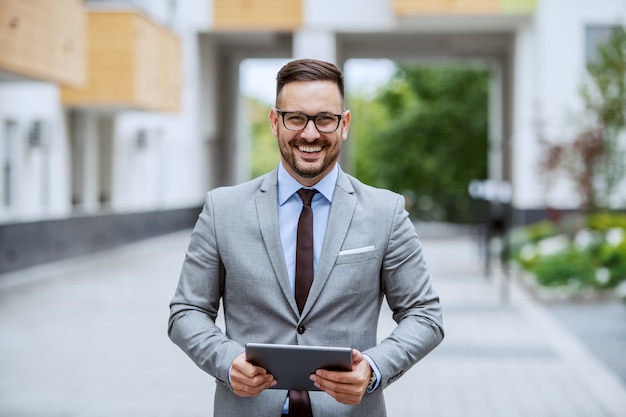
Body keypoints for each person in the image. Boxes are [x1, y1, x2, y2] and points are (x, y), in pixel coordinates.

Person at [168, 58, 444, 417]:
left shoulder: (385, 212)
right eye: (296, 118)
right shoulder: (223, 209)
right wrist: (227, 360)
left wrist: (373, 369)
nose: (310, 134)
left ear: (344, 124)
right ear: (274, 121)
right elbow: (186, 311)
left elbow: (424, 315)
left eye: (324, 119)